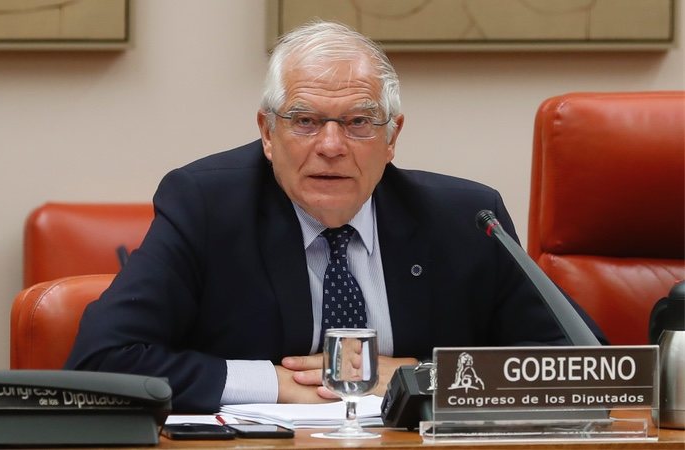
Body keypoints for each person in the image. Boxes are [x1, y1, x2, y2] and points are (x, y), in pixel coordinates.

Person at [65, 20, 605, 413]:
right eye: (304, 120)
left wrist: (427, 377)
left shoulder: (463, 218)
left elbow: (591, 366)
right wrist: (273, 383)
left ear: (392, 137)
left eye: (358, 122)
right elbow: (100, 363)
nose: (330, 145)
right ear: (266, 133)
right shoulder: (206, 206)